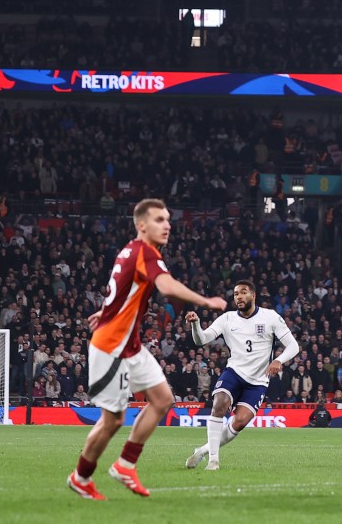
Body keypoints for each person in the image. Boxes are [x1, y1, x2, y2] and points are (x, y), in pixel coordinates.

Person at [68, 198, 227, 500]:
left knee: (163, 398)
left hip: (131, 345)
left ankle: (125, 464)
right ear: (141, 225)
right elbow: (166, 286)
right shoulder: (145, 252)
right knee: (112, 420)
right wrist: (206, 301)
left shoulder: (130, 250)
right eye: (159, 220)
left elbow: (120, 286)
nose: (167, 225)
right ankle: (81, 476)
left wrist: (106, 310)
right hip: (111, 347)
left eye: (168, 219)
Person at [184, 279, 298, 470]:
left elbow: (294, 346)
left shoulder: (270, 317)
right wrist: (196, 325)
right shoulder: (227, 319)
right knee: (219, 405)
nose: (239, 296)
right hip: (234, 372)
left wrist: (279, 360)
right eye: (236, 293)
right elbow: (201, 340)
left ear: (253, 296)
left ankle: (203, 451)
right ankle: (214, 460)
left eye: (243, 292)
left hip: (258, 381)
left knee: (239, 421)